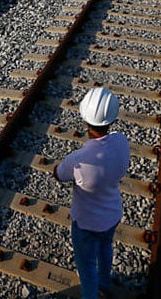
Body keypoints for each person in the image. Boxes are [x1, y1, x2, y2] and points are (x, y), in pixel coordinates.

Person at [53, 87, 130, 299]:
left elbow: (59, 174)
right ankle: (105, 284)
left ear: (85, 120)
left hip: (86, 223)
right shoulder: (121, 142)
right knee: (105, 249)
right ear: (112, 119)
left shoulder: (78, 159)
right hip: (113, 214)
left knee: (86, 267)